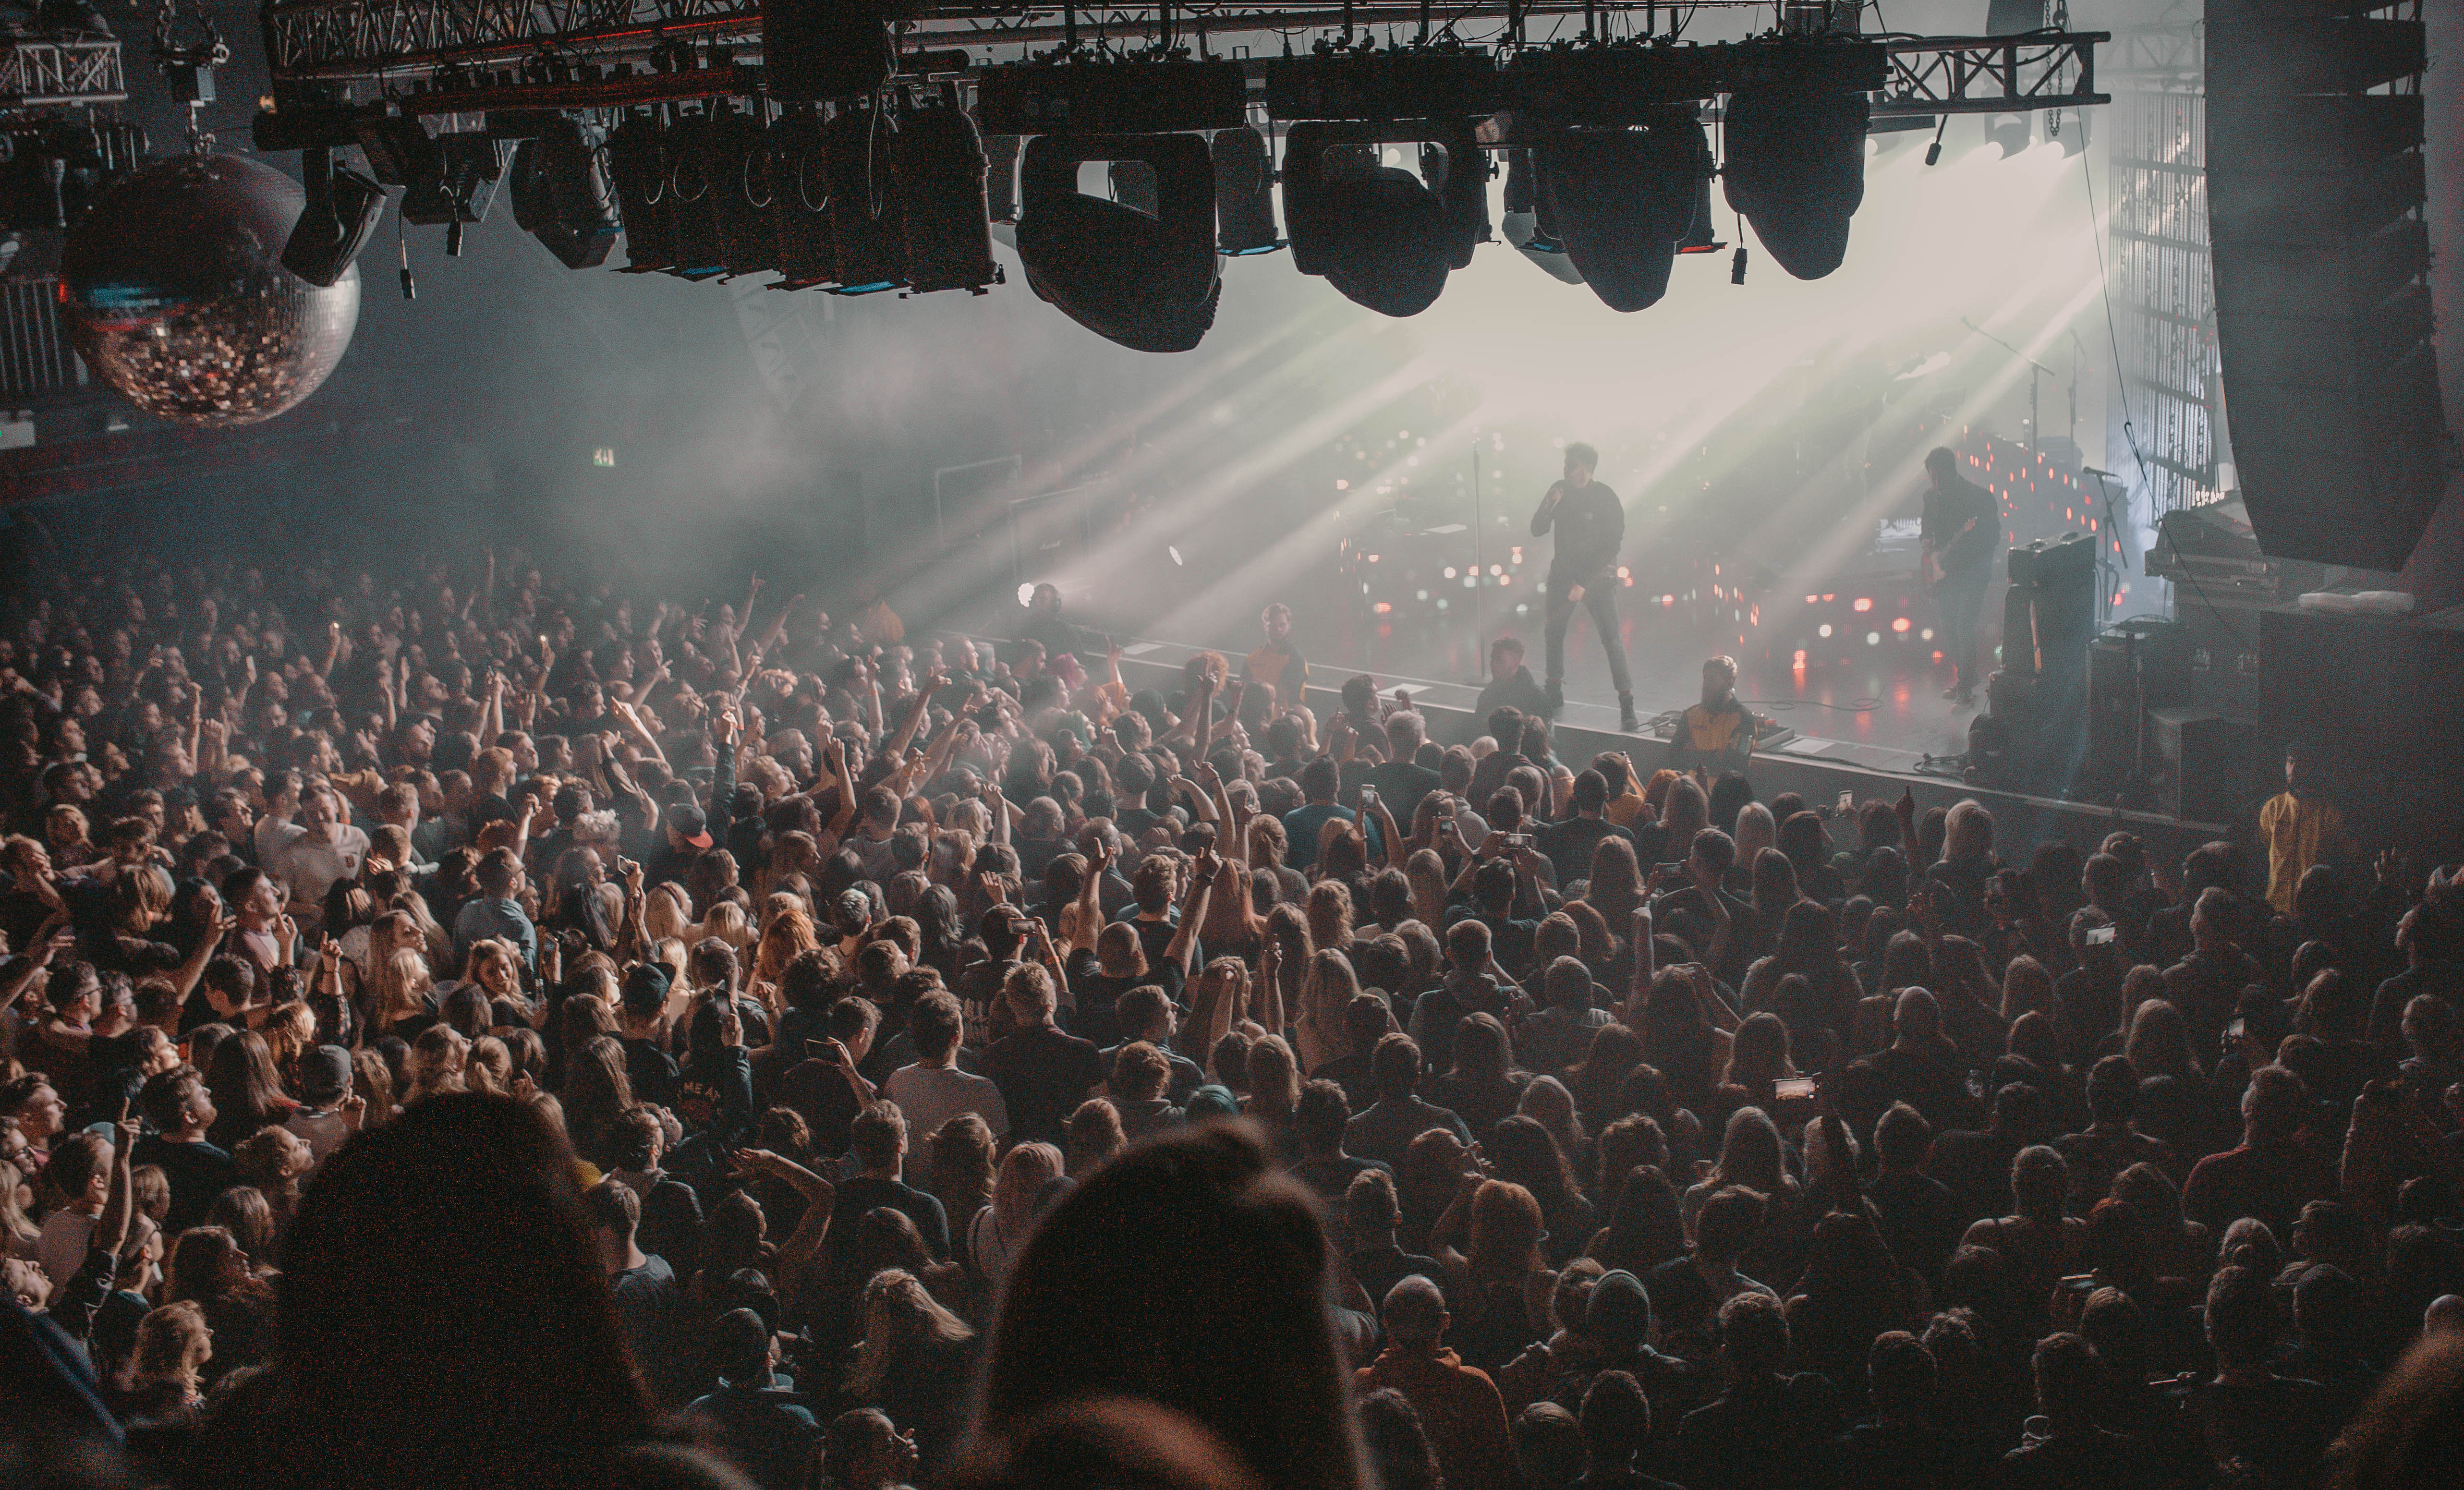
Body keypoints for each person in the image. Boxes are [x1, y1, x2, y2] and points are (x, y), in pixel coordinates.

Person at [1355, 1275, 1518, 1490]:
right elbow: (1503, 1471)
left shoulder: (1363, 1386)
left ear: (1385, 1323)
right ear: (1445, 1322)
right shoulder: (1475, 1386)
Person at [1529, 443, 1636, 731]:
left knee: (1612, 640)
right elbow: (1537, 529)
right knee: (1554, 632)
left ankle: (1626, 702)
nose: (1566, 470)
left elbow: (1612, 545)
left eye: (1572, 465)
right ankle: (1554, 690)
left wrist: (1584, 582)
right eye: (1566, 465)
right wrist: (1549, 505)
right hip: (1563, 576)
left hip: (1597, 579)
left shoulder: (1606, 497)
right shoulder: (1559, 491)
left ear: (1587, 468)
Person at [1919, 446, 1998, 708]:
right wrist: (1927, 542)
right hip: (1947, 572)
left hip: (1974, 570)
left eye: (1939, 477)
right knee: (1948, 625)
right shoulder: (1930, 497)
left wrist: (1964, 549)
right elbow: (1927, 527)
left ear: (1951, 471)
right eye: (1932, 478)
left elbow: (1992, 537)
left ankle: (1965, 686)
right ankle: (1967, 676)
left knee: (1965, 625)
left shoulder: (1979, 497)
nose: (1936, 483)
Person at [2258, 740, 2349, 914]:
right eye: (2291, 762)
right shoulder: (2273, 808)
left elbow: (2343, 859)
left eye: (2301, 763)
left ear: (2312, 768)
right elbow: (2263, 853)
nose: (2294, 769)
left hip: (2312, 909)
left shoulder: (2329, 813)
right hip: (2275, 907)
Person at [1663, 658, 1758, 777]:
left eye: (1712, 679)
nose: (1705, 685)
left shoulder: (1744, 720)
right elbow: (1672, 757)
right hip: (1691, 788)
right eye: (1705, 678)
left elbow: (1737, 765)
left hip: (1724, 788)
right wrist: (1716, 755)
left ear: (1729, 683)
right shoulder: (1691, 715)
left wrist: (1694, 754)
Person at [1242, 603, 1309, 716]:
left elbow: (1280, 696)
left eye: (1282, 624)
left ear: (1289, 625)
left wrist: (1253, 696)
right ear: (1265, 627)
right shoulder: (1252, 658)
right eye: (1273, 625)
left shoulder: (1296, 658)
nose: (1278, 629)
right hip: (1253, 719)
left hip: (1284, 722)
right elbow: (1242, 691)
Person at [1475, 637, 1555, 728]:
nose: (1493, 664)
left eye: (1499, 659)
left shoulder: (1538, 700)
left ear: (1515, 662)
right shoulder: (1487, 695)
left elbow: (1544, 735)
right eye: (1492, 658)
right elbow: (1477, 729)